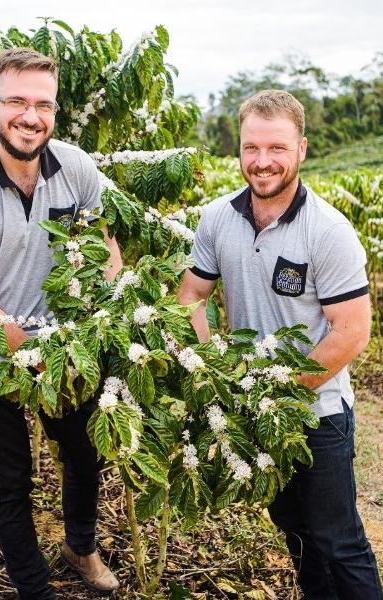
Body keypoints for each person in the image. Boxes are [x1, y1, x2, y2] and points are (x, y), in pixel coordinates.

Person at [177, 90, 382, 599]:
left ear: (302, 149)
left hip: (318, 412)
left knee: (339, 539)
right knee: (295, 533)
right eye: (251, 148)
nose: (262, 161)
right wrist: (210, 370)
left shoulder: (328, 231)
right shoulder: (217, 220)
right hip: (250, 405)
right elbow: (191, 299)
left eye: (277, 148)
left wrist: (283, 395)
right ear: (239, 149)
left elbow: (352, 331)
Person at [0, 48, 123, 599]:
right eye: (16, 100)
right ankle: (33, 587)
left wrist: (107, 315)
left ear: (56, 111)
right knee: (11, 476)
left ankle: (80, 548)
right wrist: (53, 353)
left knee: (84, 449)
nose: (29, 115)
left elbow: (106, 249)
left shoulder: (77, 167)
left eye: (42, 103)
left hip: (62, 337)